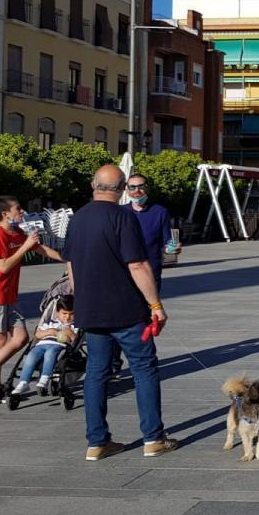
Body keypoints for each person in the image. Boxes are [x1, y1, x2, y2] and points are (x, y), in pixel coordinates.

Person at [65, 164, 177, 461]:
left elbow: (71, 265)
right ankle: (153, 438)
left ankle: (97, 442)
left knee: (96, 374)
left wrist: (81, 300)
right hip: (127, 310)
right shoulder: (123, 217)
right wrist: (155, 305)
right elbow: (138, 265)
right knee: (144, 370)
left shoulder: (77, 219)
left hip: (91, 309)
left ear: (93, 184)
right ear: (123, 188)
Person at [0, 196, 64, 407]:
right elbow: (3, 267)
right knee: (1, 341)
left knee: (16, 339)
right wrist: (24, 246)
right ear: (5, 214)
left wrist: (67, 258)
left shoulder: (18, 232)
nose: (23, 212)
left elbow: (40, 250)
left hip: (9, 295)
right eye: (18, 209)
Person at [110, 173, 179, 377]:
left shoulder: (159, 212)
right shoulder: (120, 212)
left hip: (151, 274)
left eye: (140, 187)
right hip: (124, 276)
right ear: (126, 190)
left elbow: (167, 242)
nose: (137, 191)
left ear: (147, 188)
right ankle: (114, 361)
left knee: (148, 317)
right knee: (119, 318)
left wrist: (172, 248)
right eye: (132, 187)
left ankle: (143, 359)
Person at [10, 294, 76, 396]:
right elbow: (37, 334)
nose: (67, 317)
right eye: (64, 313)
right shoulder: (50, 323)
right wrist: (50, 331)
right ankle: (23, 382)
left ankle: (45, 378)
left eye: (71, 314)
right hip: (42, 343)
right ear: (57, 313)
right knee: (31, 355)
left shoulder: (74, 326)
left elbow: (75, 339)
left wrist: (70, 333)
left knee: (50, 352)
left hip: (58, 345)